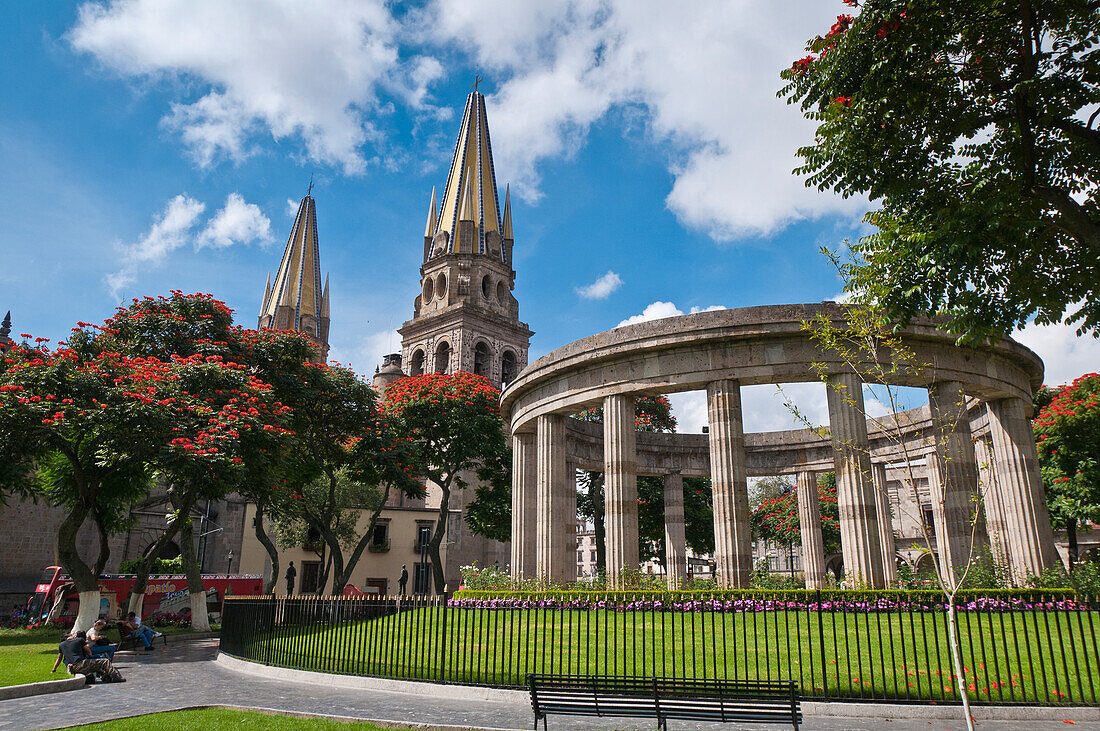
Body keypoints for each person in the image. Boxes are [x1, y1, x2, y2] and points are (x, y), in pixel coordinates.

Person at [54, 630, 124, 683]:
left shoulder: (61, 645)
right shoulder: (79, 640)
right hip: (81, 664)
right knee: (104, 661)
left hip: (72, 668)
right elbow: (89, 651)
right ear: (69, 636)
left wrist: (54, 669)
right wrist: (89, 655)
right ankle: (115, 676)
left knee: (94, 666)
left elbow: (59, 658)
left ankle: (105, 677)